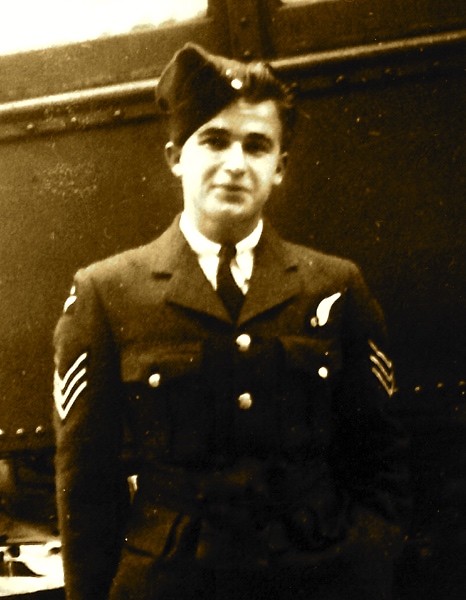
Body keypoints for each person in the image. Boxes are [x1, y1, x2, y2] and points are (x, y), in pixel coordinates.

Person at [53, 43, 410, 600]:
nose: (236, 163)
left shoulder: (335, 285)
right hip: (172, 585)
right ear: (176, 157)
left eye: (257, 145)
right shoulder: (108, 292)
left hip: (320, 580)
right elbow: (85, 484)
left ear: (279, 168)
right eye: (214, 140)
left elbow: (379, 455)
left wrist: (367, 563)